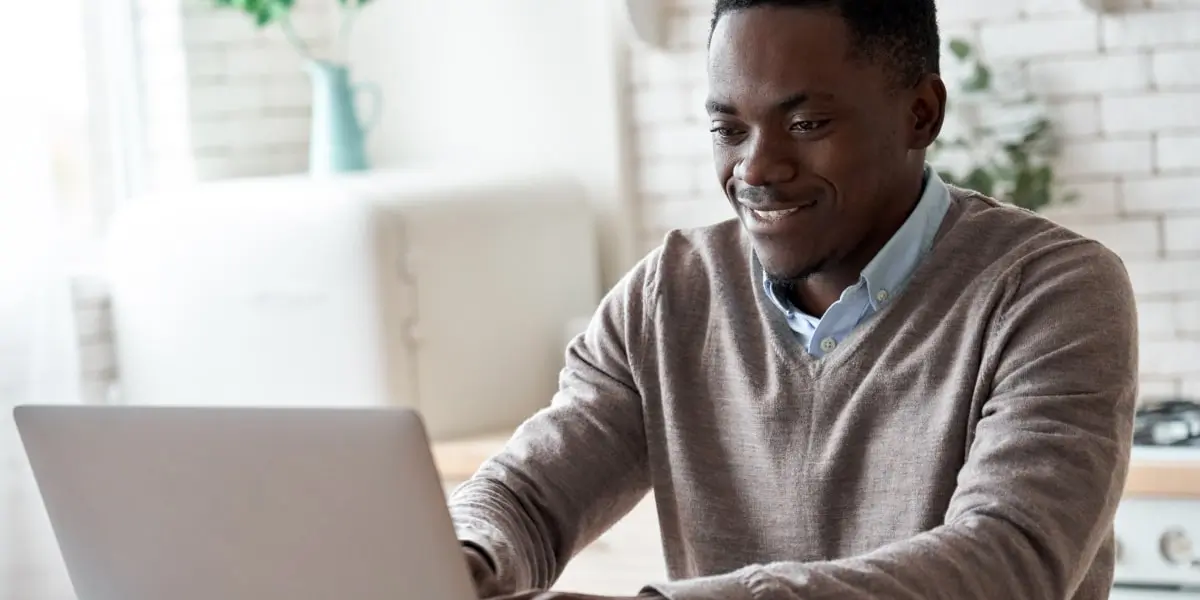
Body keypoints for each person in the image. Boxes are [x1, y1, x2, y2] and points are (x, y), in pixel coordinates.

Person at [448, 1, 1138, 599]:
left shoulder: (1051, 292)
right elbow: (525, 497)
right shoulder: (668, 298)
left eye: (806, 124)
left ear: (921, 114)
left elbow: (1008, 561)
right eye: (729, 130)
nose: (756, 167)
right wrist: (463, 560)